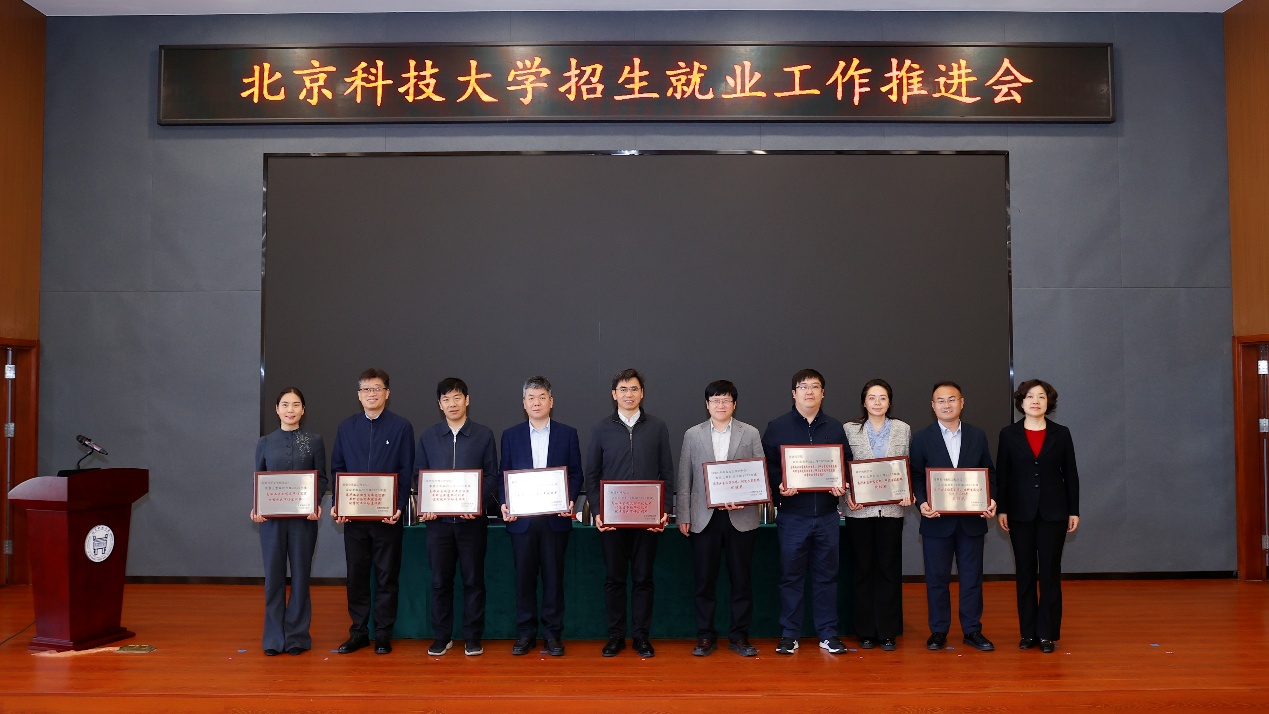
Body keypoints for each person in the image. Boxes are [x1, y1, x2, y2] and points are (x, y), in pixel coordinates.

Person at [583, 368, 673, 659]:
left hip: (648, 520)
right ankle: (616, 636)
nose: (629, 394)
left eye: (634, 389)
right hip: (613, 521)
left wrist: (665, 510)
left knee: (644, 578)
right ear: (614, 395)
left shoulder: (657, 427)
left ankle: (641, 637)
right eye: (623, 389)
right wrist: (598, 511)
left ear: (642, 393)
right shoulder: (601, 428)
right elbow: (592, 475)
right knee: (614, 579)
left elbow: (667, 472)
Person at [761, 368, 851, 656]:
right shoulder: (777, 427)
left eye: (815, 387)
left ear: (823, 393)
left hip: (827, 515)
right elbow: (768, 466)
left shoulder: (835, 427)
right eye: (803, 387)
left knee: (827, 576)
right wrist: (779, 486)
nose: (809, 391)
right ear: (793, 393)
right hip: (792, 516)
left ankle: (828, 634)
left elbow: (845, 463)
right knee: (791, 576)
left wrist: (842, 484)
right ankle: (790, 634)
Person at [676, 379, 765, 657]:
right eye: (715, 400)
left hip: (742, 517)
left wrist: (749, 497)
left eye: (726, 400)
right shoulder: (693, 434)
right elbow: (684, 477)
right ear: (707, 405)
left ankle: (739, 636)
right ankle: (705, 636)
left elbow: (760, 474)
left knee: (741, 581)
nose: (720, 405)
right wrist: (683, 515)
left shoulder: (750, 433)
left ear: (734, 404)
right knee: (704, 581)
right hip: (705, 518)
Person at [330, 368, 414, 655]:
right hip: (354, 518)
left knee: (386, 576)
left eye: (377, 389)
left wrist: (399, 506)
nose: (371, 394)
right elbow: (338, 468)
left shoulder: (401, 427)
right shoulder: (346, 427)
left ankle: (382, 633)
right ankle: (358, 632)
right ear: (359, 395)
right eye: (366, 389)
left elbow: (405, 470)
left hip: (387, 518)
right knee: (356, 575)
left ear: (387, 393)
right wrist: (339, 505)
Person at [910, 380, 997, 653]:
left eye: (952, 399)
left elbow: (989, 473)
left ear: (962, 402)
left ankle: (972, 630)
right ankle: (938, 630)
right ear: (932, 406)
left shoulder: (977, 435)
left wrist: (991, 499)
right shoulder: (921, 438)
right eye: (940, 400)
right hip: (936, 521)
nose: (946, 405)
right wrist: (922, 502)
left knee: (972, 578)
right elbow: (915, 477)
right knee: (937, 579)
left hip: (971, 522)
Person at [498, 375, 583, 657]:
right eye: (531, 398)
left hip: (554, 520)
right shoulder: (510, 435)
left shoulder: (567, 434)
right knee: (524, 580)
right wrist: (505, 503)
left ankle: (552, 634)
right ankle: (525, 634)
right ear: (524, 403)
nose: (536, 403)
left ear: (551, 401)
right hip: (521, 522)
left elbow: (576, 473)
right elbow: (503, 475)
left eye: (542, 397)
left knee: (553, 579)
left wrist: (569, 498)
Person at [415, 377, 498, 657]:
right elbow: (419, 475)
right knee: (440, 582)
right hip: (438, 525)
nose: (452, 404)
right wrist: (425, 503)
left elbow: (492, 476)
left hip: (471, 523)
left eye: (457, 397)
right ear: (439, 404)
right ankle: (442, 636)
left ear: (467, 400)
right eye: (446, 399)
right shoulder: (428, 436)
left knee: (473, 581)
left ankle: (473, 637)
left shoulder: (483, 435)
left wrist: (476, 504)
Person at [996, 379, 1080, 654]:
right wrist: (1003, 508)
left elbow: (1071, 474)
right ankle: (1028, 632)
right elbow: (1003, 475)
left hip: (1054, 513)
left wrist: (1073, 510)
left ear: (1049, 402)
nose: (1035, 401)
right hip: (1019, 513)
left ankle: (1047, 633)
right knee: (1025, 573)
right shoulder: (1008, 434)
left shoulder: (1061, 433)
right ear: (1021, 403)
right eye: (1030, 396)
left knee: (1050, 573)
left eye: (1041, 396)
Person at [251, 387, 328, 656]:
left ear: (303, 410)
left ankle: (297, 637)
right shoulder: (265, 442)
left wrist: (315, 503)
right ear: (277, 409)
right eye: (285, 404)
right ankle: (273, 638)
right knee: (273, 579)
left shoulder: (314, 441)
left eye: (296, 405)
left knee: (300, 577)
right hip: (271, 522)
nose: (290, 410)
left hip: (303, 521)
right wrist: (257, 507)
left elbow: (322, 478)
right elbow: (259, 478)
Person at [841, 379, 913, 651]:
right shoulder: (849, 429)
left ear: (889, 401)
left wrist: (908, 491)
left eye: (882, 397)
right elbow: (842, 468)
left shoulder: (903, 429)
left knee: (888, 570)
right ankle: (865, 631)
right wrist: (847, 495)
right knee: (862, 570)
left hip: (892, 511)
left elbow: (908, 466)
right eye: (872, 397)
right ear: (864, 401)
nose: (877, 402)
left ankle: (887, 631)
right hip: (859, 511)